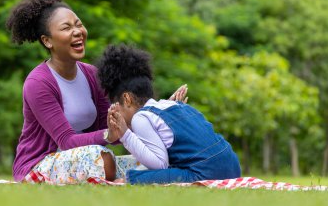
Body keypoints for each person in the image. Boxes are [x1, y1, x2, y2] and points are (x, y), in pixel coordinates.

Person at [6, 0, 187, 184]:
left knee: (157, 159)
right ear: (47, 40)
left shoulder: (91, 74)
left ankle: (122, 179)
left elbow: (113, 127)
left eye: (79, 24)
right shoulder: (39, 83)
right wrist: (109, 134)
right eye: (66, 28)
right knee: (101, 157)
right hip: (40, 165)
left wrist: (158, 113)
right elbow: (67, 141)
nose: (77, 31)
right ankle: (120, 179)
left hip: (86, 159)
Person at [97, 44, 241, 184]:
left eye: (116, 106)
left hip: (206, 172)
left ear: (126, 99)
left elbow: (160, 165)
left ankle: (128, 180)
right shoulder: (172, 105)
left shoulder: (140, 118)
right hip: (233, 166)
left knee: (137, 176)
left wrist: (125, 134)